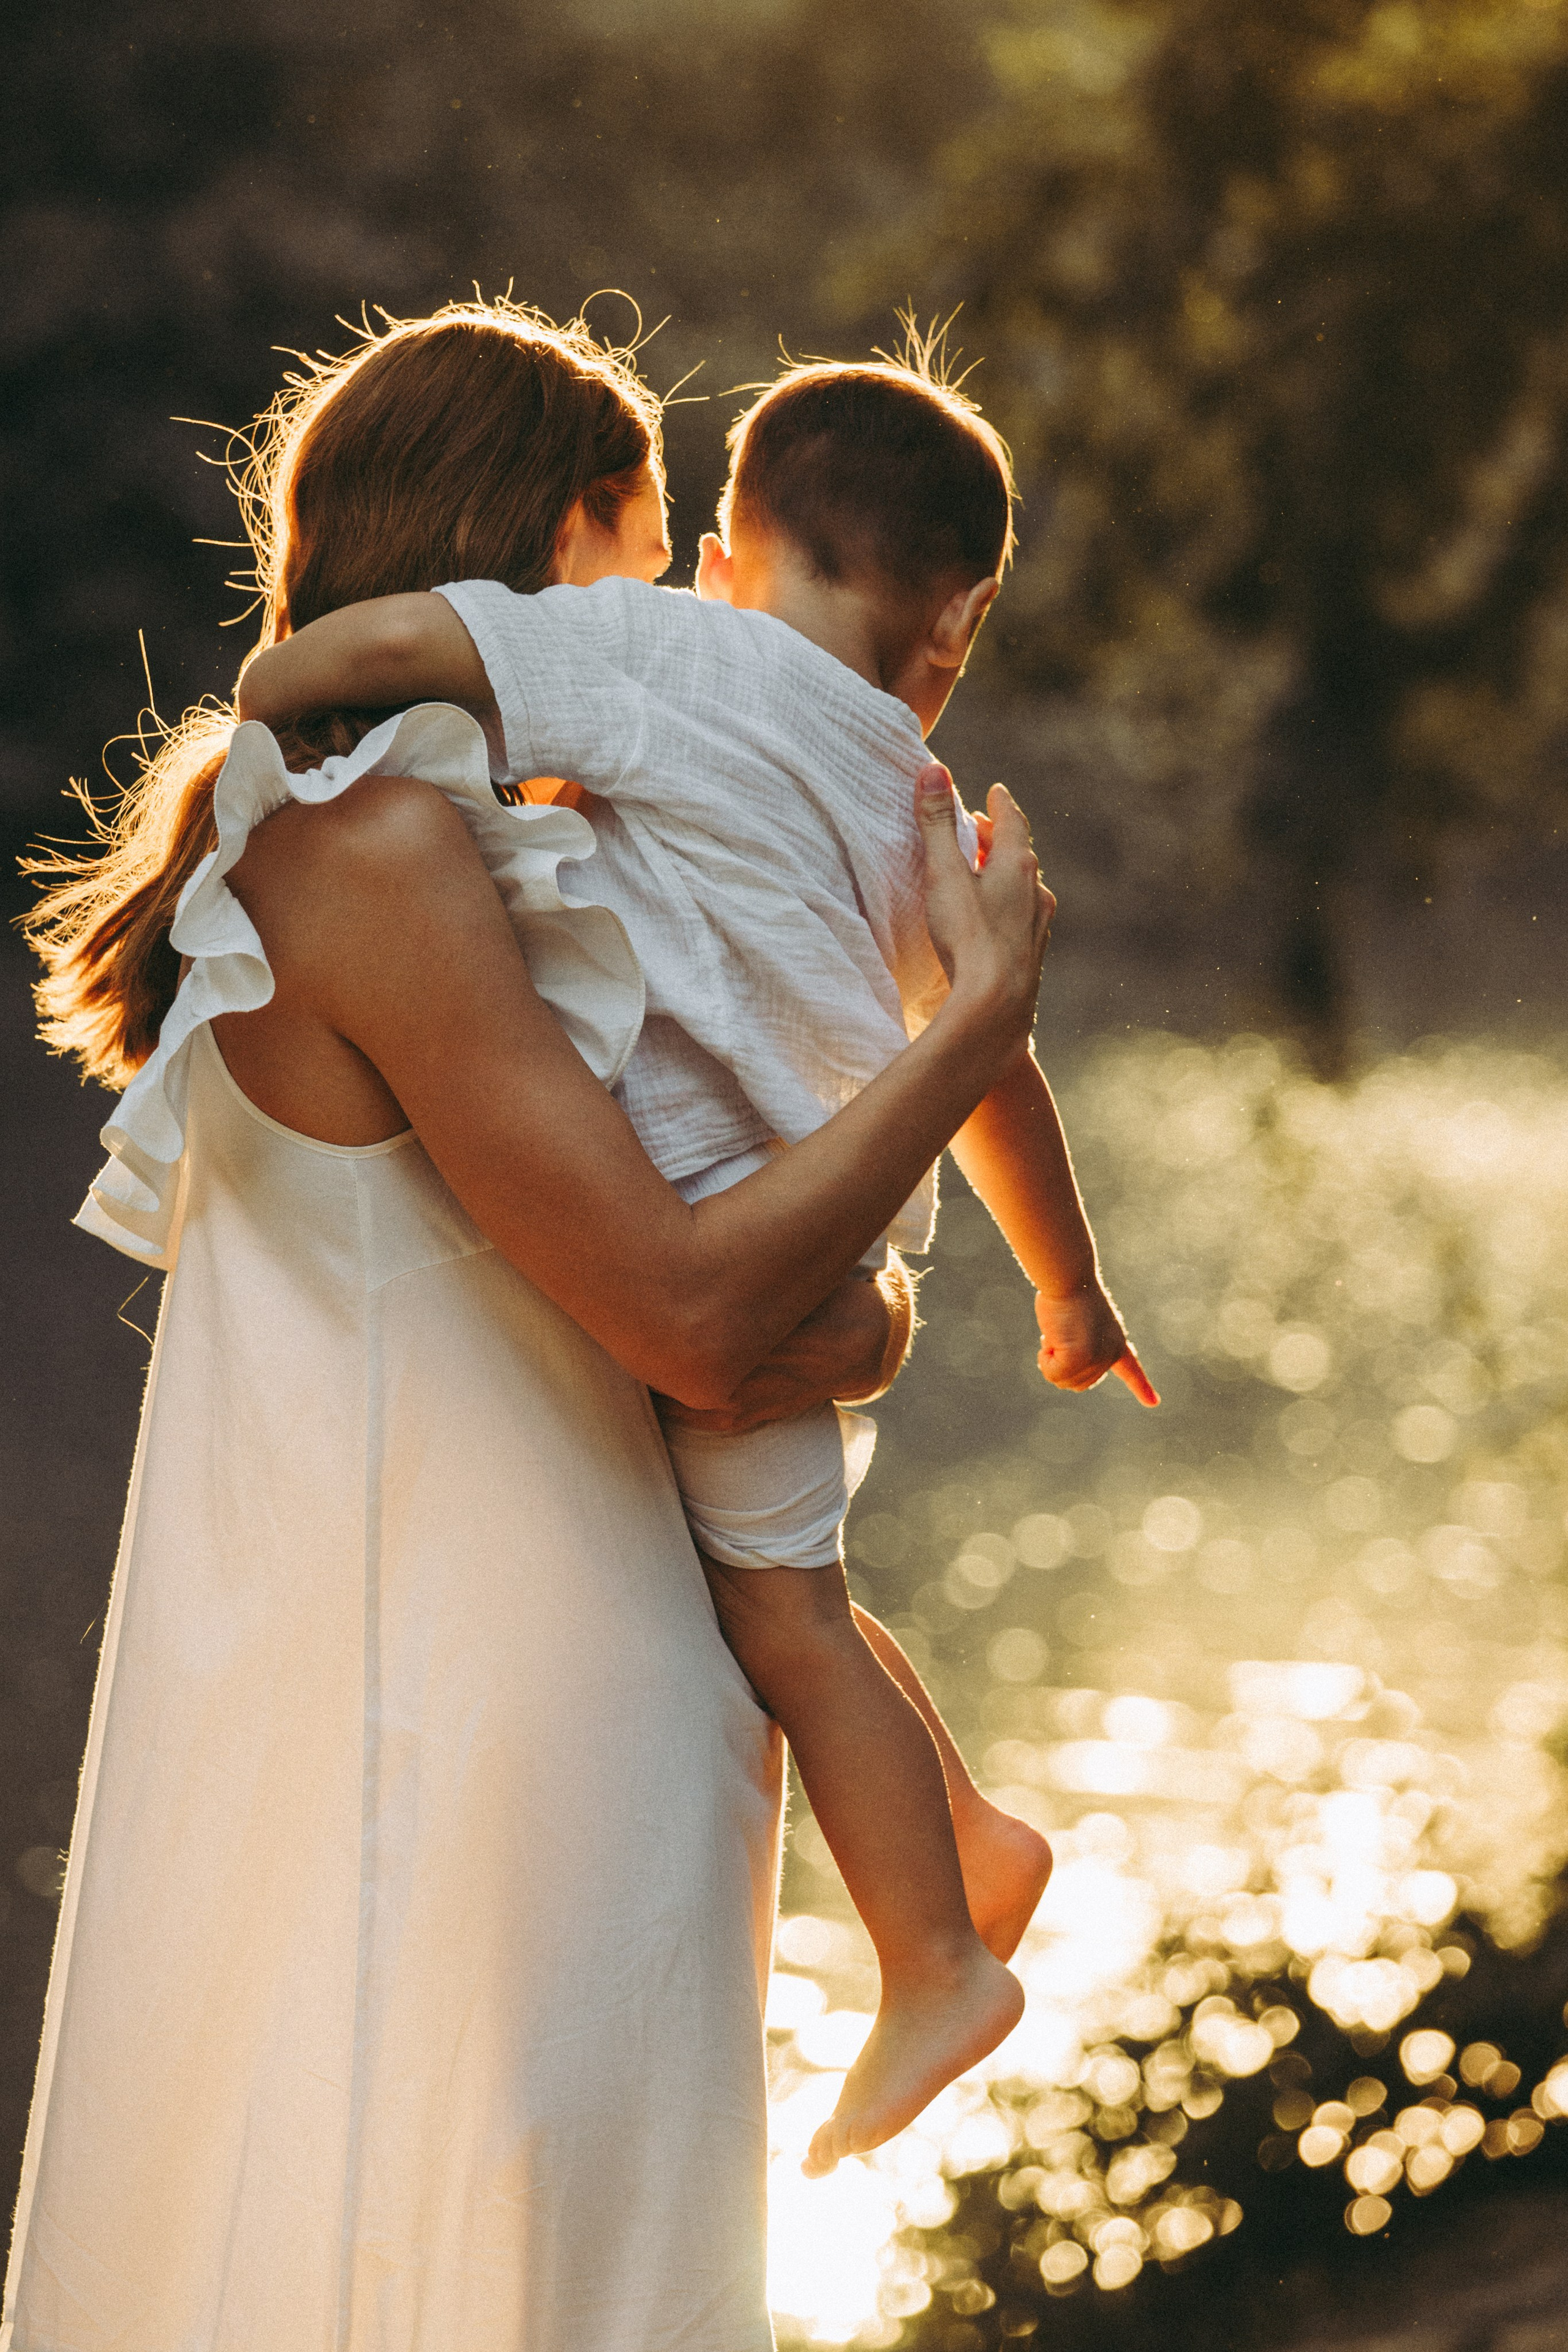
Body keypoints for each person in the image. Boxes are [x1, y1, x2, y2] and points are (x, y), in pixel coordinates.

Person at [2, 300, 1055, 2352]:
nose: (677, 612)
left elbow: (698, 1284)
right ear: (536, 540)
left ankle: (959, 1861)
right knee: (490, 2255)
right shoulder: (375, 851)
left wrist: (855, 1322)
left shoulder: (488, 838)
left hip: (567, 1659)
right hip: (482, 1701)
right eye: (648, 548)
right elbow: (688, 1312)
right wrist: (980, 1032)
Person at [238, 349, 1157, 2176]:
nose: (653, 589)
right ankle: (963, 1845)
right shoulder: (917, 799)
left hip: (718, 1238)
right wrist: (1067, 1288)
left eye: (682, 554)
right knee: (788, 1595)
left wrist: (286, 673)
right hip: (816, 1221)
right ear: (951, 630)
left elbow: (382, 658)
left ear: (731, 552)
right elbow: (999, 1069)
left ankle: (939, 1960)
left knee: (786, 1619)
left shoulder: (663, 663)